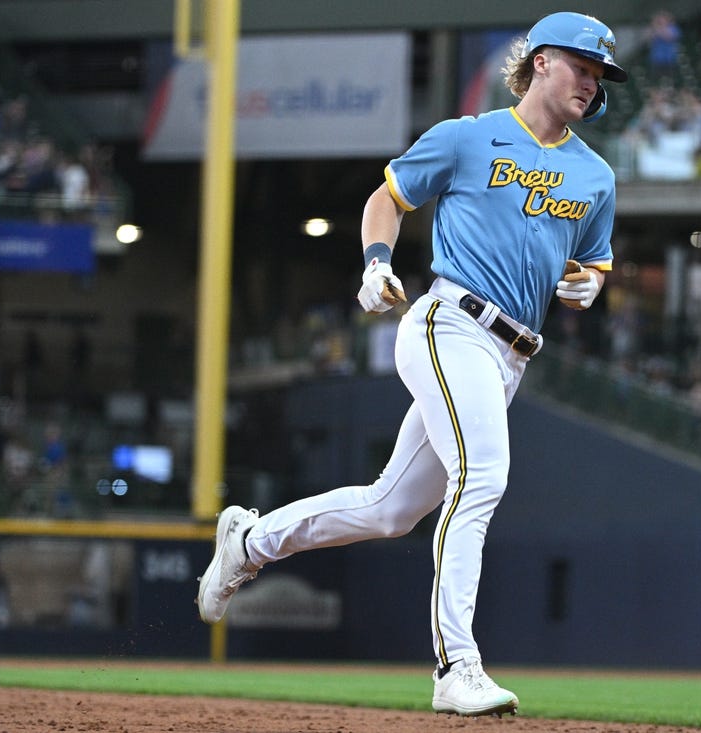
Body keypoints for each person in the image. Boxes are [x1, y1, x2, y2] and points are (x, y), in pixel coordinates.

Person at [196, 11, 625, 717]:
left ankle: (250, 538)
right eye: (583, 66)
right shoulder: (467, 135)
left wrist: (590, 282)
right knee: (482, 474)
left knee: (389, 507)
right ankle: (456, 665)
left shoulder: (595, 175)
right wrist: (373, 263)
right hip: (448, 324)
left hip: (511, 355)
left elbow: (593, 265)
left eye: (600, 74)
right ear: (542, 61)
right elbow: (386, 200)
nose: (592, 82)